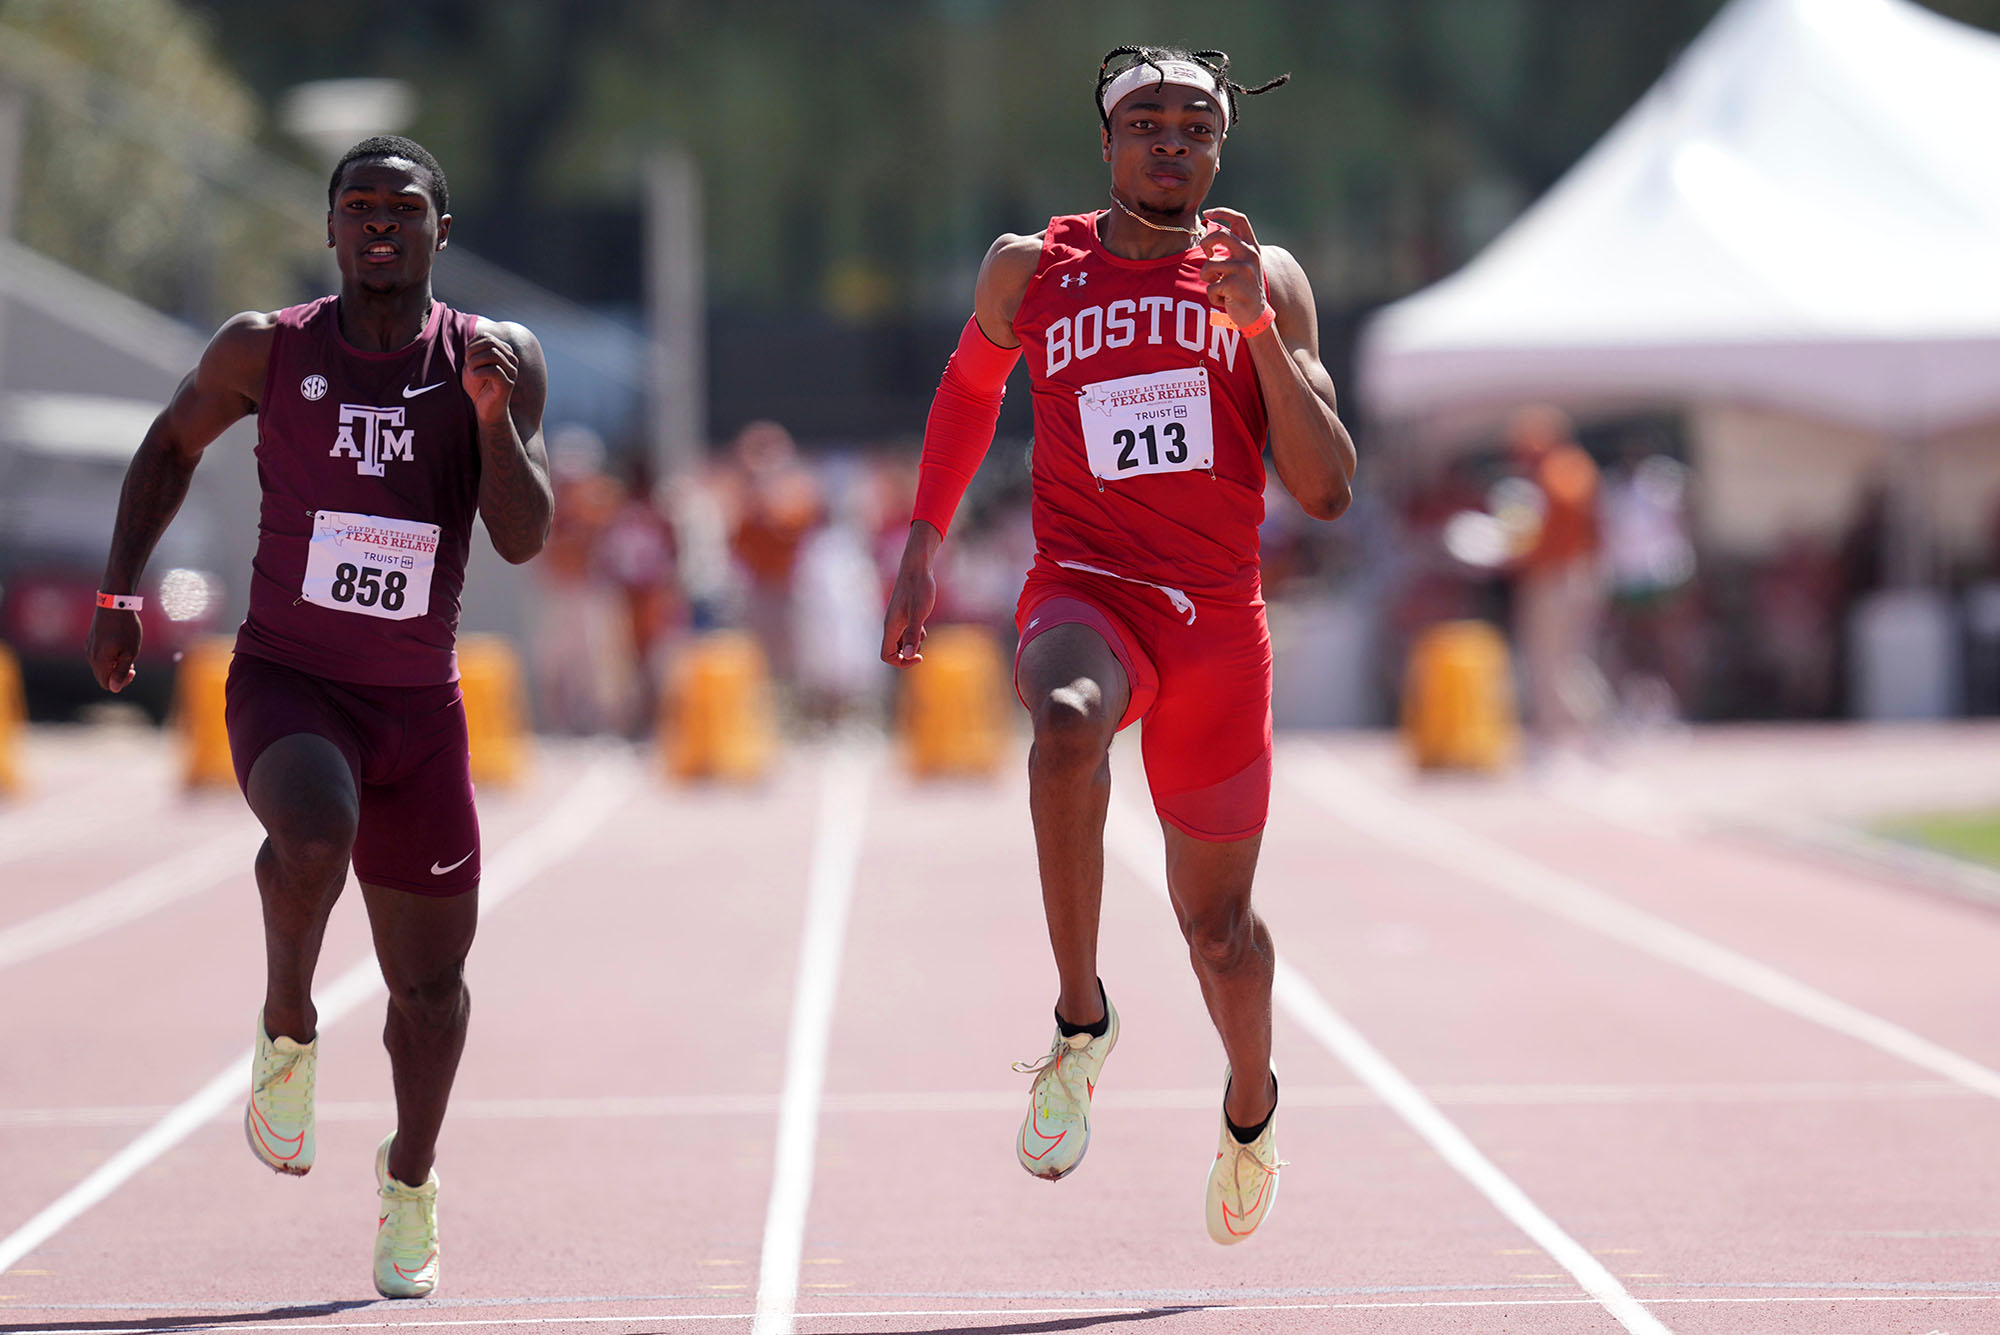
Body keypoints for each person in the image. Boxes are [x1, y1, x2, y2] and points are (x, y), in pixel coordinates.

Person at [880, 46, 1354, 1244]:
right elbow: (968, 395)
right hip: (1087, 591)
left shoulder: (1265, 276)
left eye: (1194, 126)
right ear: (1105, 144)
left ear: (1218, 149)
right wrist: (923, 537)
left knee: (1220, 935)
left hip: (1216, 627)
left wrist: (1254, 330)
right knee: (1065, 724)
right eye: (1145, 122)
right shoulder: (1030, 269)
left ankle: (1250, 1112)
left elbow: (1328, 486)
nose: (1170, 143)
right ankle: (1080, 1020)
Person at [85, 136, 552, 1299]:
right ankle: (286, 1027)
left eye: (404, 209)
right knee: (311, 832)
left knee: (429, 995)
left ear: (441, 233)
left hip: (420, 711)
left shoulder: (494, 357)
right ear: (331, 229)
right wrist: (117, 593)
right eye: (359, 208)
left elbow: (525, 534)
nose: (380, 226)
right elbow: (167, 445)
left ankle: (410, 1181)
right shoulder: (267, 347)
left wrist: (493, 419)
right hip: (292, 681)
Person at [1506, 407, 1611, 747]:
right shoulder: (1570, 469)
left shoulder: (1561, 470)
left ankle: (1585, 731)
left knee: (1554, 662)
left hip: (1559, 576)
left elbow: (1554, 535)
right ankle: (1568, 734)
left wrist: (1517, 555)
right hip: (1571, 574)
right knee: (1562, 660)